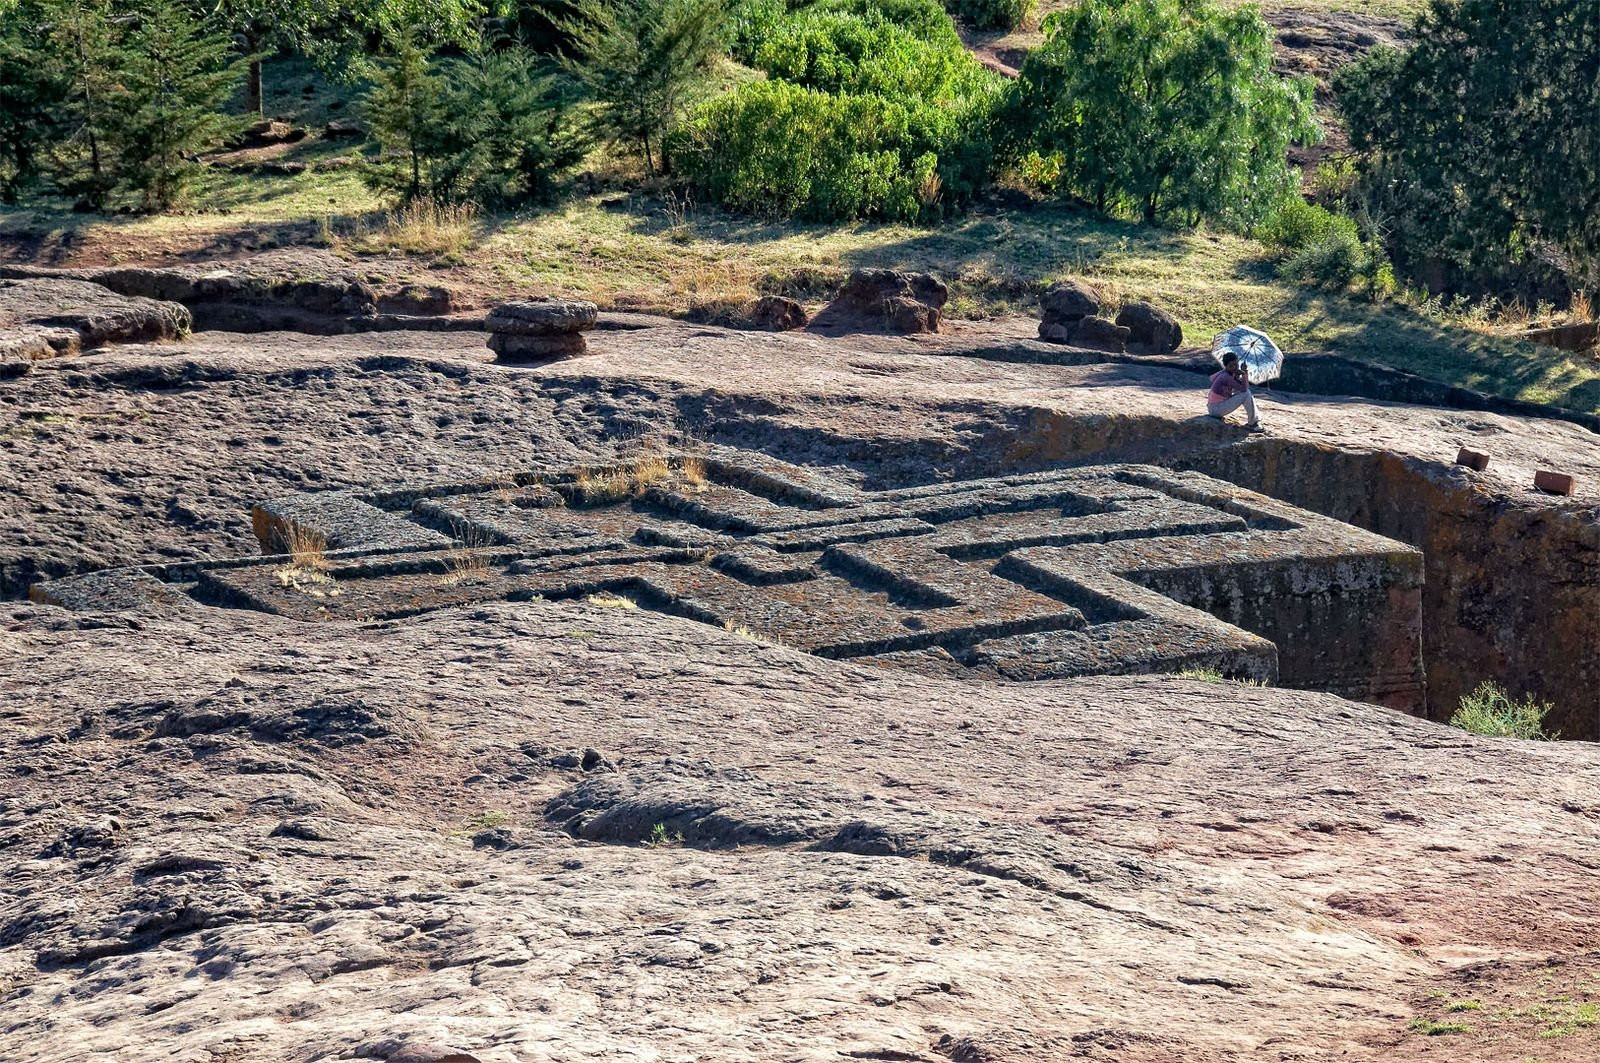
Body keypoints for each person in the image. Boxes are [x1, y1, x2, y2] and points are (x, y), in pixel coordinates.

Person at [1207, 352, 1264, 432]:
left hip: (1214, 407)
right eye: (1231, 366)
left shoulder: (1228, 373)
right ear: (1226, 366)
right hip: (1216, 409)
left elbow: (1240, 388)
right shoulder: (1225, 376)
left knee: (1246, 394)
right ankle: (1253, 423)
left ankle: (1253, 421)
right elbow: (1244, 389)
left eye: (1236, 365)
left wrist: (1238, 376)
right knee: (1246, 393)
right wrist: (1244, 373)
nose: (1234, 367)